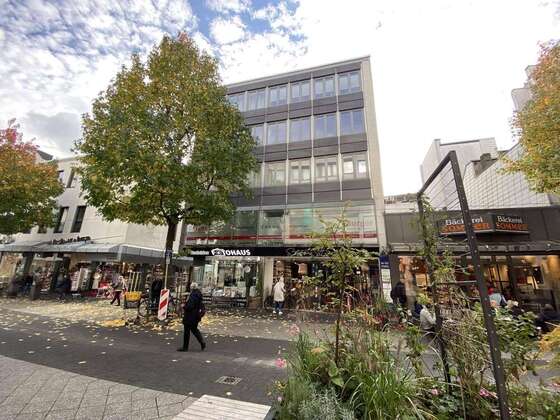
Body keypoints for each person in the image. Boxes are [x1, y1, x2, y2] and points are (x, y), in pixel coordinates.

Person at [178, 283, 206, 352]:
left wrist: (184, 306)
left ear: (192, 288)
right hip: (196, 316)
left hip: (190, 316)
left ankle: (185, 347)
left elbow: (190, 306)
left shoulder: (193, 295)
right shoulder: (198, 294)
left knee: (186, 332)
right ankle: (202, 342)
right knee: (194, 329)